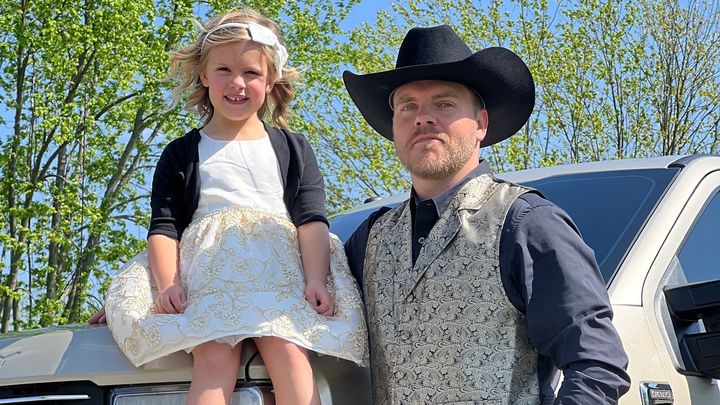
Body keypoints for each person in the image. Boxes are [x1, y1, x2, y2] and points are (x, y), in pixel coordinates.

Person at [342, 25, 631, 404]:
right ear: (394, 125)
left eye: (444, 104)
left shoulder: (526, 222)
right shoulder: (369, 240)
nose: (423, 117)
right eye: (408, 106)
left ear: (480, 124)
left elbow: (596, 364)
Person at [101, 9, 367, 405]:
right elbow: (165, 228)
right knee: (213, 357)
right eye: (224, 69)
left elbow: (310, 220)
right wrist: (167, 284)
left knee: (289, 351)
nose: (237, 83)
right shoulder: (181, 153)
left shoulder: (293, 149)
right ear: (204, 74)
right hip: (209, 277)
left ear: (271, 79)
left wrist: (316, 279)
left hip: (279, 278)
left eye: (251, 73)